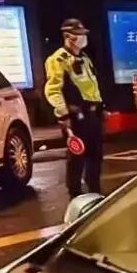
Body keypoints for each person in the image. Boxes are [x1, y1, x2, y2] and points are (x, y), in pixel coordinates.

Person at [45, 19, 104, 199]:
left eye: (83, 34)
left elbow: (93, 86)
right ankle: (76, 195)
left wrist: (101, 107)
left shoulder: (84, 58)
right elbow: (53, 90)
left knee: (95, 156)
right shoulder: (58, 59)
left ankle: (95, 194)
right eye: (79, 35)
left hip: (92, 114)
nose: (83, 38)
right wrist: (63, 115)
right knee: (77, 158)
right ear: (68, 36)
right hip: (75, 116)